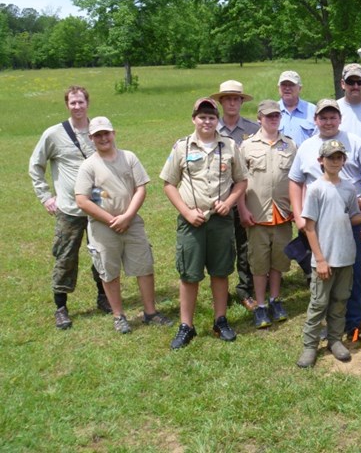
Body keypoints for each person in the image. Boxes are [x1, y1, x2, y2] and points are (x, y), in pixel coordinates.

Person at [289, 99, 361, 344]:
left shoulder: (354, 141)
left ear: (340, 119)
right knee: (321, 272)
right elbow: (295, 181)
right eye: (323, 117)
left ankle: (354, 323)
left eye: (333, 117)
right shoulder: (307, 147)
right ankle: (325, 325)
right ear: (316, 120)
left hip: (349, 217)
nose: (328, 121)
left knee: (351, 273)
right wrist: (299, 214)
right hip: (318, 219)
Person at [160, 97, 248, 349]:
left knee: (220, 272)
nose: (207, 121)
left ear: (217, 120)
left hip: (220, 220)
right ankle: (186, 325)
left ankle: (220, 320)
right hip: (192, 222)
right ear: (194, 119)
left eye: (211, 117)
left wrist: (230, 202)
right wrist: (186, 212)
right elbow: (168, 184)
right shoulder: (182, 147)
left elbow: (241, 181)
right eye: (202, 116)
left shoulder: (230, 146)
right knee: (189, 273)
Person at [75, 116, 172, 334]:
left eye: (106, 133)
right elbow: (82, 200)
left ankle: (150, 312)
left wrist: (128, 216)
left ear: (113, 133)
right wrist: (111, 220)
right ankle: (119, 315)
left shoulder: (129, 157)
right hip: (102, 227)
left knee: (144, 266)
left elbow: (141, 188)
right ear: (91, 138)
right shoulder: (88, 166)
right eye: (97, 135)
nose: (103, 138)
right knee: (109, 271)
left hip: (132, 222)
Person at [28, 85, 112, 330]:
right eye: (73, 103)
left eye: (81, 102)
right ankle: (61, 307)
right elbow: (36, 165)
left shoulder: (98, 131)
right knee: (65, 257)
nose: (77, 106)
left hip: (98, 205)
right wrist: (45, 197)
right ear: (67, 105)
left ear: (88, 103)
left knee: (102, 253)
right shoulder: (54, 134)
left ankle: (104, 297)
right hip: (69, 209)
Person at [296, 139, 361, 368]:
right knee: (319, 303)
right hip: (324, 259)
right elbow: (309, 227)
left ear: (344, 160)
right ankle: (310, 345)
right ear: (321, 161)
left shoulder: (349, 188)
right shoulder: (316, 189)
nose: (335, 161)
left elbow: (352, 217)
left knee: (340, 301)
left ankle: (335, 340)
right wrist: (320, 259)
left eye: (339, 157)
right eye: (330, 158)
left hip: (346, 256)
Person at [238, 100, 297, 328]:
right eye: (268, 116)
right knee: (259, 262)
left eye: (276, 116)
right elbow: (240, 181)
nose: (273, 119)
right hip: (257, 215)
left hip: (283, 213)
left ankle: (275, 299)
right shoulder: (247, 146)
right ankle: (261, 305)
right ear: (259, 118)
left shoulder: (290, 146)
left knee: (279, 260)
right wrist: (242, 209)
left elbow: (296, 179)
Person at [210, 80, 259, 312]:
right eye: (227, 98)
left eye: (236, 98)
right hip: (216, 198)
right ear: (220, 102)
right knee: (219, 246)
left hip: (245, 196)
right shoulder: (210, 128)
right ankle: (219, 291)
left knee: (245, 244)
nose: (232, 102)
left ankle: (245, 287)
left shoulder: (252, 130)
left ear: (241, 101)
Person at [277, 70, 317, 146]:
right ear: (278, 87)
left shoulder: (312, 110)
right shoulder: (270, 111)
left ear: (300, 88)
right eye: (284, 85)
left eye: (291, 85)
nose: (287, 88)